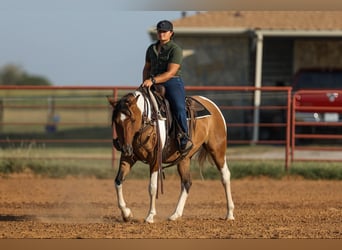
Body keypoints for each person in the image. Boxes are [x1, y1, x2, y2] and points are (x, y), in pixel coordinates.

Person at [141, 20, 193, 154]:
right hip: (152, 81)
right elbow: (146, 68)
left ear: (171, 33)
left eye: (164, 31)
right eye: (159, 31)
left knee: (179, 107)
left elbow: (170, 72)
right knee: (138, 104)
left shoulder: (175, 49)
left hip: (172, 82)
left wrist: (152, 80)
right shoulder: (151, 49)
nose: (161, 34)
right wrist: (145, 83)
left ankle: (184, 137)